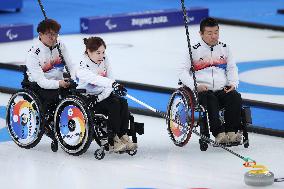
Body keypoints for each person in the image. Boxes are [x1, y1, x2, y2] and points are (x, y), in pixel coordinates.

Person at [178, 17, 242, 144]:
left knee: (235, 96)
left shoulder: (225, 48)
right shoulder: (193, 50)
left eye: (216, 32)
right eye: (209, 33)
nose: (214, 36)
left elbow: (232, 68)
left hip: (221, 88)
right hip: (203, 90)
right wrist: (195, 86)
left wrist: (233, 83)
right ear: (201, 34)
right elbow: (182, 72)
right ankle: (218, 133)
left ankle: (231, 131)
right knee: (211, 100)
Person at [76, 36, 137, 152]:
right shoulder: (82, 66)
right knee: (114, 105)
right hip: (88, 97)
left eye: (103, 52)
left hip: (102, 94)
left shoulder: (104, 59)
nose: (102, 56)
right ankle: (112, 138)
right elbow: (96, 79)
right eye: (98, 53)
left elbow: (111, 79)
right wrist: (111, 85)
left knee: (123, 102)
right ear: (89, 51)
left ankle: (123, 135)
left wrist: (108, 91)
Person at [24, 18, 76, 138]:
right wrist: (59, 84)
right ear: (40, 34)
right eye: (49, 34)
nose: (53, 37)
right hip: (38, 86)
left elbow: (71, 65)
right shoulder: (33, 54)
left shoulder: (60, 45)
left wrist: (73, 79)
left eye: (55, 34)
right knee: (57, 97)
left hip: (59, 81)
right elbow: (42, 82)